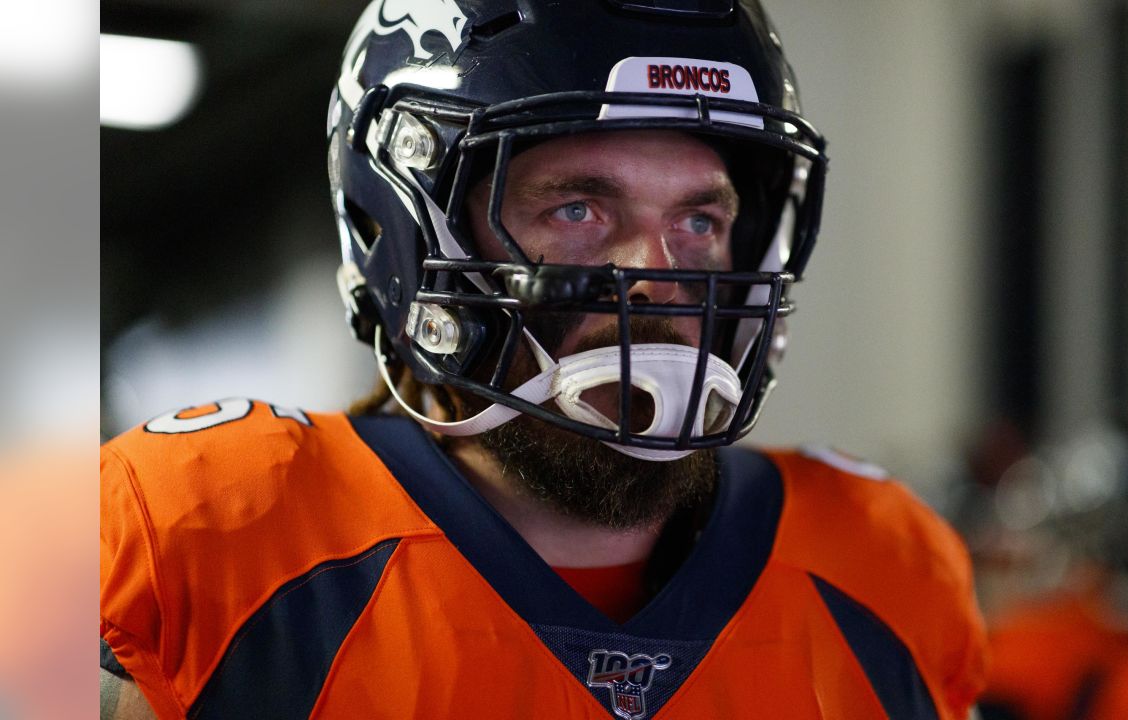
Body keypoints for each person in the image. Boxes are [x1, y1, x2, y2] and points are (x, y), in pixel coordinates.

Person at [100, 1, 987, 717]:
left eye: (699, 221)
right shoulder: (200, 537)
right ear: (405, 234)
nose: (657, 275)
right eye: (577, 210)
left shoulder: (884, 567)